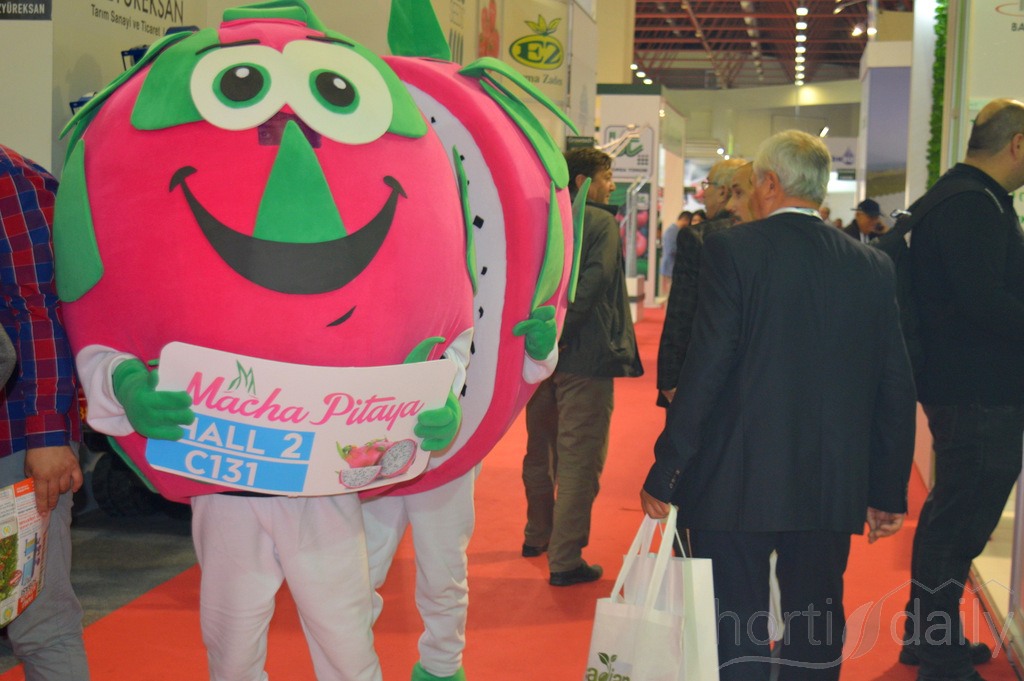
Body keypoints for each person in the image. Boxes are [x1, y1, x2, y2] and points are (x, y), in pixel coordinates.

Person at [641, 130, 917, 680]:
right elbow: (894, 384)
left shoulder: (734, 250)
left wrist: (668, 468)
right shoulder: (871, 265)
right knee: (815, 628)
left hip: (734, 480)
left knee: (734, 630)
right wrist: (887, 491)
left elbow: (708, 366)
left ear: (770, 183)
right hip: (828, 484)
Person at [900, 98, 1024, 681]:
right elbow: (983, 303)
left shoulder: (963, 196)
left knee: (952, 514)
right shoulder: (973, 204)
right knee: (959, 522)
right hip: (977, 390)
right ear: (1017, 144)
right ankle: (938, 652)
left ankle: (927, 636)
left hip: (966, 387)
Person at [521, 147, 643, 587]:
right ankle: (565, 558)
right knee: (579, 457)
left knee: (540, 448)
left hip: (540, 357)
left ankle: (537, 534)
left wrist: (546, 339)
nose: (613, 185)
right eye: (607, 177)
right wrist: (563, 332)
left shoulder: (546, 217)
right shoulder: (601, 222)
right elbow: (594, 281)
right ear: (583, 181)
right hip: (585, 356)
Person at [0, 143, 89, 680]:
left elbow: (40, 309)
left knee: (38, 618)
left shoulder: (11, 180)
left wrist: (48, 434)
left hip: (16, 437)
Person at [656, 157, 745, 409]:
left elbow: (682, 311)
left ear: (724, 191)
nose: (703, 193)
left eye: (708, 185)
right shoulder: (762, 239)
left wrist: (669, 377)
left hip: (699, 367)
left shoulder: (697, 237)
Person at [659, 211, 692, 297]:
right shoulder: (673, 232)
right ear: (685, 220)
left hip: (670, 267)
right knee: (670, 294)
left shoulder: (673, 230)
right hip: (670, 267)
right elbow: (671, 250)